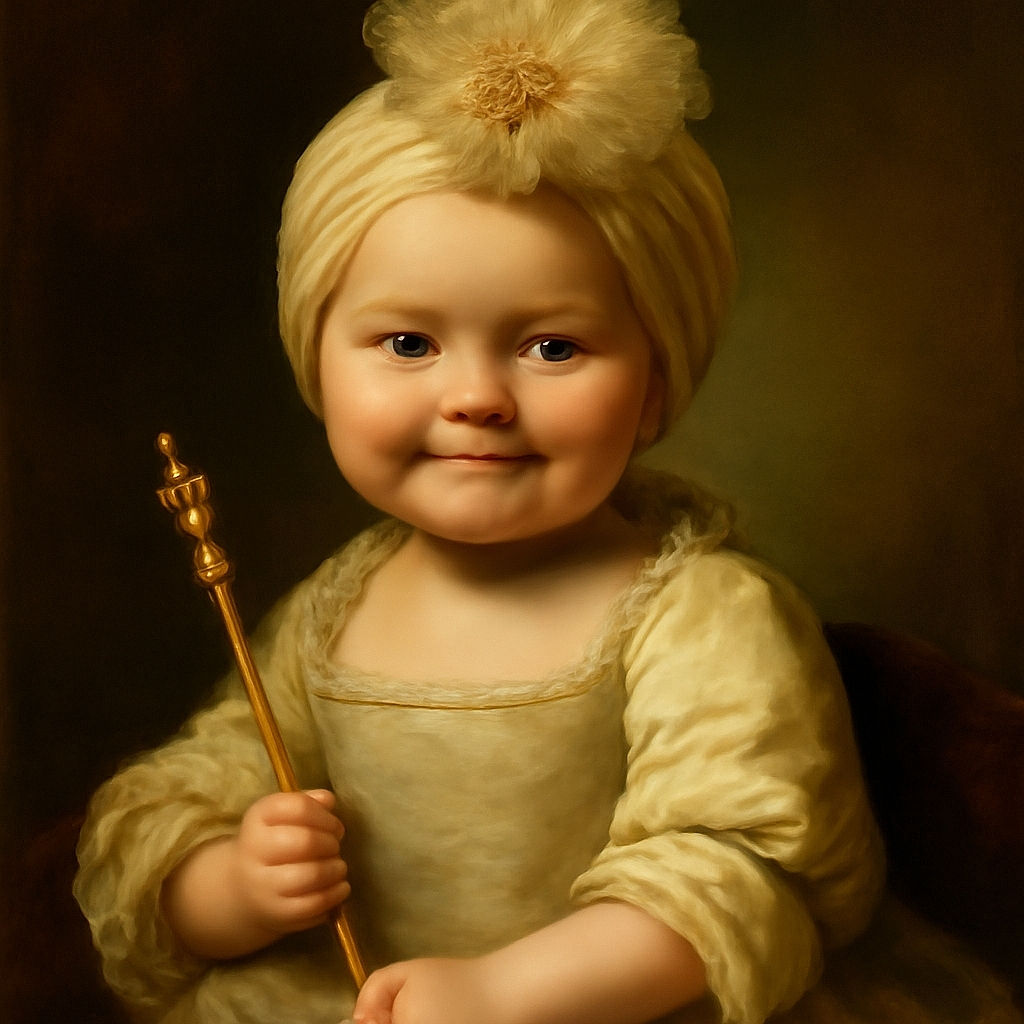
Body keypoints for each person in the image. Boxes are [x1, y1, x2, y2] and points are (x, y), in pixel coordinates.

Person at [74, 2, 1022, 1023]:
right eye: (406, 344)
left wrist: (506, 992)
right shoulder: (333, 610)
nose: (474, 395)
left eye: (551, 347)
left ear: (654, 379)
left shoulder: (702, 613)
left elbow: (740, 866)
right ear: (316, 357)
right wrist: (228, 885)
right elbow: (195, 784)